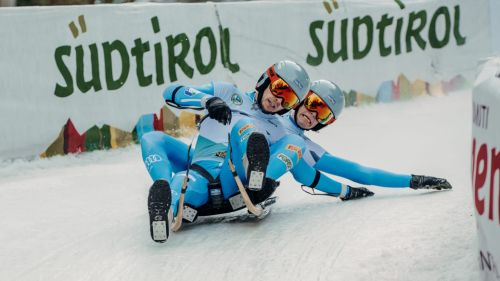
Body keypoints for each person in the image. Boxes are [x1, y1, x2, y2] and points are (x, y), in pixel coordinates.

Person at [141, 60, 311, 243]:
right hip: (200, 169)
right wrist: (208, 101)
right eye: (280, 88)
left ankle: (260, 177)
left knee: (280, 137)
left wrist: (343, 191)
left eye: (289, 99)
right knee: (151, 139)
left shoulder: (279, 130)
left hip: (233, 175)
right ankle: (164, 201)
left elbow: (307, 171)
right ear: (265, 80)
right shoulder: (228, 92)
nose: (279, 100)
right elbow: (171, 92)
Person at [276, 80, 452, 201]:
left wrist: (413, 180)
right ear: (301, 100)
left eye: (322, 114)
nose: (312, 114)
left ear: (324, 123)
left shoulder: (305, 147)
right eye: (313, 103)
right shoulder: (272, 105)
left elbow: (359, 172)